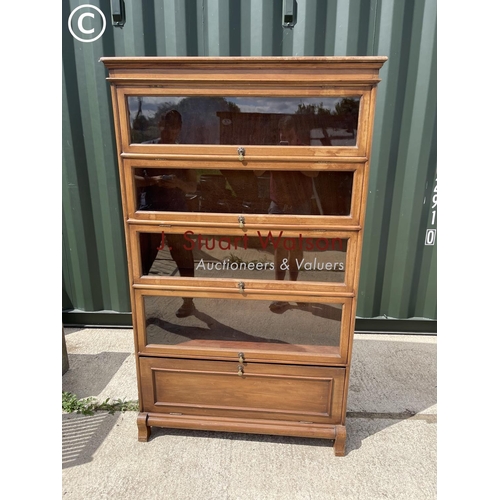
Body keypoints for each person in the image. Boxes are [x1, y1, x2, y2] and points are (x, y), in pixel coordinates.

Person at [136, 110, 197, 318]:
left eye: (174, 127)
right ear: (159, 125)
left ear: (179, 128)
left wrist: (177, 183)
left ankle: (189, 302)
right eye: (166, 126)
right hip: (150, 210)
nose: (170, 131)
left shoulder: (184, 152)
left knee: (183, 257)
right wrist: (153, 180)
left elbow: (192, 187)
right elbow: (129, 176)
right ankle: (138, 309)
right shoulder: (144, 149)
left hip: (176, 209)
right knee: (143, 258)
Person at [255, 115, 318, 312]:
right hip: (279, 204)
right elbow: (257, 172)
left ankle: (294, 288)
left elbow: (315, 173)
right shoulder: (275, 150)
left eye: (289, 135)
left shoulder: (304, 149)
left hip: (300, 205)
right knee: (280, 248)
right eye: (283, 135)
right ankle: (280, 293)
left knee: (297, 249)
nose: (286, 138)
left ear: (296, 134)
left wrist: (294, 156)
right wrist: (274, 155)